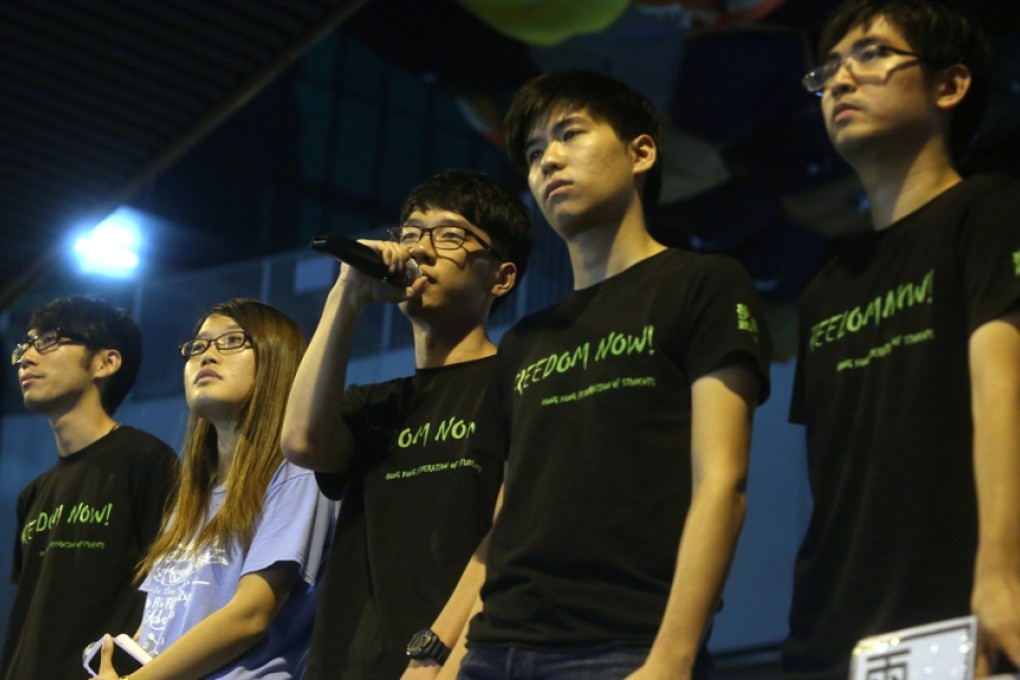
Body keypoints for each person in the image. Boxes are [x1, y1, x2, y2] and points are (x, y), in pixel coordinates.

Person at [434, 70, 772, 680]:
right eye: (533, 153)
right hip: (493, 650)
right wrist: (444, 657)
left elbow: (722, 483)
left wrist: (672, 657)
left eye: (570, 134)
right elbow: (507, 519)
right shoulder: (525, 341)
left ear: (641, 152)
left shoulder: (702, 284)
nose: (548, 161)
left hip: (621, 647)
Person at [782, 1, 1020, 678]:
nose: (841, 79)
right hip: (830, 632)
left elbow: (1003, 391)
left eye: (873, 54)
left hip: (962, 608)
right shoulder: (825, 286)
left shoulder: (991, 211)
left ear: (950, 85)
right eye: (829, 69)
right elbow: (834, 475)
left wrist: (1001, 575)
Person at [281, 169, 533, 679]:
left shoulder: (521, 381)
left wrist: (441, 650)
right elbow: (302, 442)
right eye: (412, 233)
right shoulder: (376, 403)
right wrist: (348, 294)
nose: (420, 249)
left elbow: (516, 531)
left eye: (450, 235)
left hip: (459, 663)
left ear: (501, 277)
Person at [94, 298, 338, 679]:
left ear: (277, 359)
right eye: (198, 346)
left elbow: (250, 615)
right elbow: (159, 623)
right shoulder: (193, 499)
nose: (207, 355)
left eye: (232, 341)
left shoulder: (298, 472)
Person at [1, 296, 179, 680]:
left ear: (106, 362)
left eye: (48, 341)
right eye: (25, 346)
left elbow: (172, 594)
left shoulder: (148, 462)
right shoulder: (33, 493)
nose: (26, 358)